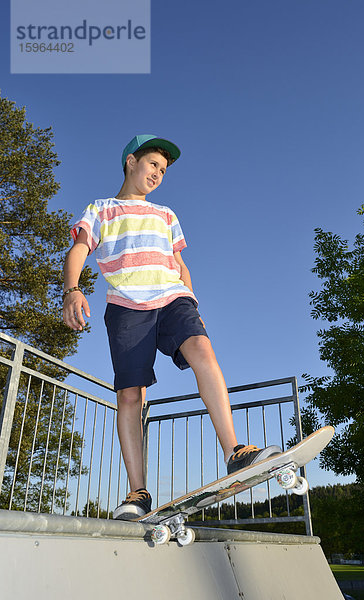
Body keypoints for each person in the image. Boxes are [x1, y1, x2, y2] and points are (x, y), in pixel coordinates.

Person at [63, 134, 281, 520]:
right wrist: (72, 290)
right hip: (127, 306)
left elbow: (179, 263)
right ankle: (138, 492)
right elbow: (80, 248)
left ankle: (235, 452)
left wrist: (190, 298)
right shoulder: (101, 209)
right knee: (131, 395)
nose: (158, 174)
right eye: (153, 165)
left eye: (163, 171)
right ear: (131, 162)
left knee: (202, 348)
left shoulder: (166, 214)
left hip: (172, 298)